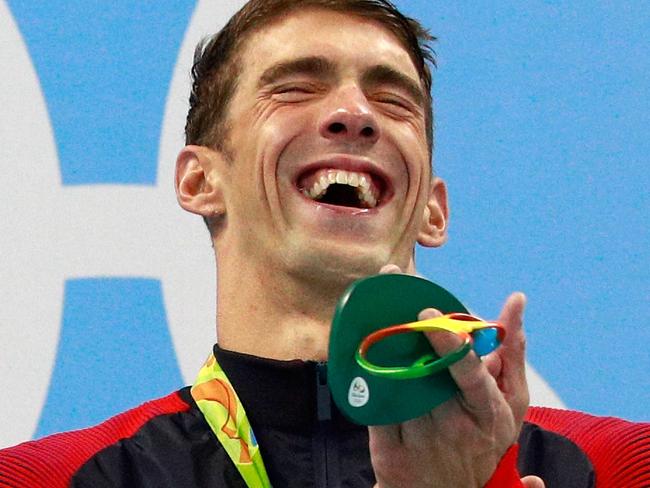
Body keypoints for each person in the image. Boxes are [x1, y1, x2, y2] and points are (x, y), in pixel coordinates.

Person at [1, 1, 648, 487]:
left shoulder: (617, 469)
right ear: (200, 181)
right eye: (295, 87)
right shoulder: (52, 478)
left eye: (392, 99)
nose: (354, 114)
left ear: (432, 209)